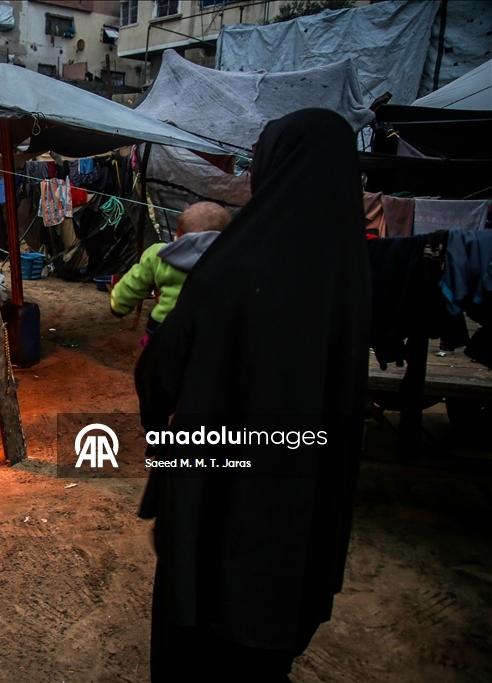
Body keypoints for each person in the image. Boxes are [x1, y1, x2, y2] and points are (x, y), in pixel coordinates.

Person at [136, 109, 371, 681]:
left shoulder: (234, 264)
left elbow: (160, 373)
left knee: (199, 624)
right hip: (303, 491)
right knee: (273, 615)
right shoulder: (351, 273)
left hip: (218, 479)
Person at [110, 201, 232, 346]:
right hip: (214, 333)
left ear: (177, 237)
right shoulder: (235, 261)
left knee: (159, 364)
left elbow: (134, 283)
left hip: (164, 326)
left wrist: (119, 305)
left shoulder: (159, 254)